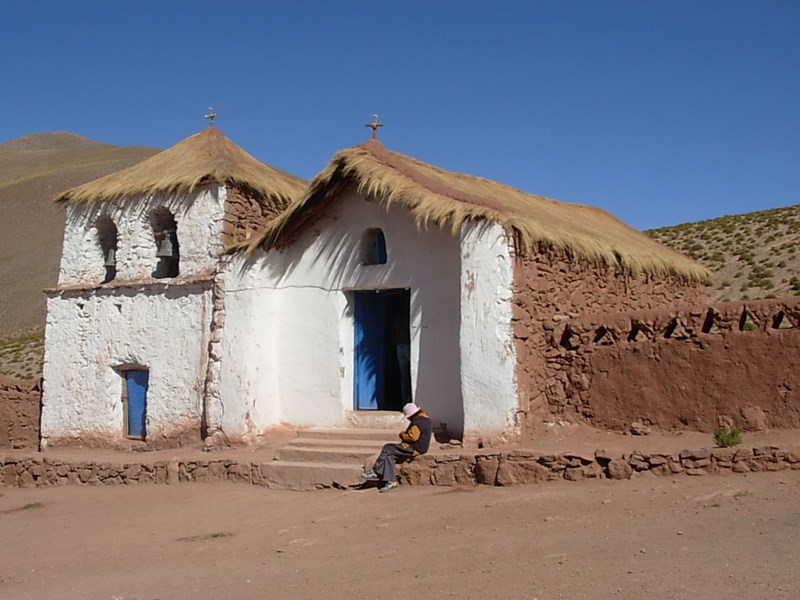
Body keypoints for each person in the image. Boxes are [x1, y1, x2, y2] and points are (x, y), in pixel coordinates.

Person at [362, 402, 431, 492]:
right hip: (419, 447)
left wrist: (403, 435)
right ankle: (391, 481)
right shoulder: (424, 419)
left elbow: (412, 437)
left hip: (415, 448)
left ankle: (376, 471)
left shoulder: (418, 422)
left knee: (387, 447)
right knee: (390, 456)